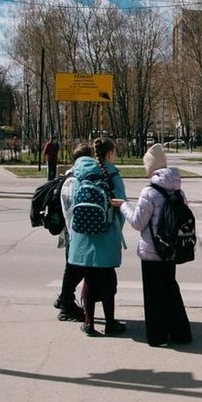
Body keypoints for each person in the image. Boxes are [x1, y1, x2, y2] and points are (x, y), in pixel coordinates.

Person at [111, 144, 192, 347]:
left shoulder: (149, 191)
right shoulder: (178, 190)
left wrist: (123, 206)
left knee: (154, 295)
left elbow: (138, 223)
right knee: (171, 289)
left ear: (150, 167)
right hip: (172, 250)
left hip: (152, 251)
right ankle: (181, 333)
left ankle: (158, 337)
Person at [64, 137, 127, 337]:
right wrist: (116, 230)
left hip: (82, 234)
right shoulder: (112, 175)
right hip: (106, 231)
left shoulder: (79, 174)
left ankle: (89, 324)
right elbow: (121, 206)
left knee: (89, 279)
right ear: (109, 154)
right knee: (108, 278)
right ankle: (110, 324)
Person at [53, 141, 93, 322]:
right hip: (77, 233)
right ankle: (65, 303)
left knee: (72, 268)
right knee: (76, 268)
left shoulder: (67, 178)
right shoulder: (77, 180)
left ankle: (64, 299)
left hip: (69, 232)